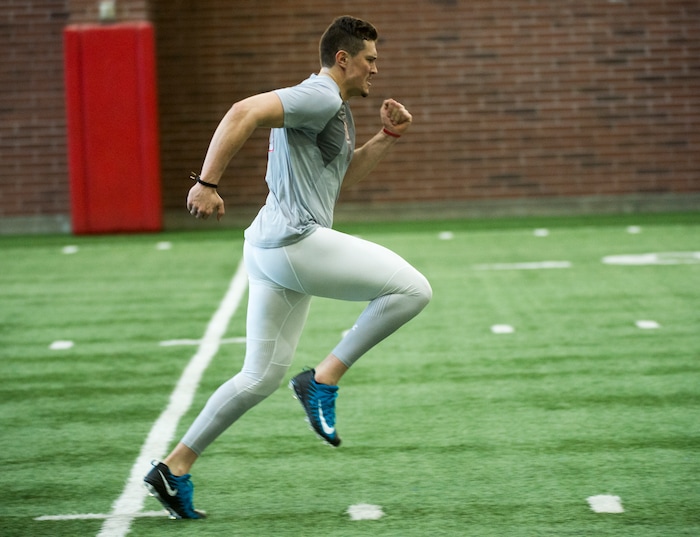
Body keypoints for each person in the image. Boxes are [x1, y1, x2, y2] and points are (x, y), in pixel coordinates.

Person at [144, 15, 432, 519]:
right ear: (342, 59)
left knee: (258, 378)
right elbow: (242, 111)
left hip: (272, 246)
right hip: (294, 243)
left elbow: (340, 179)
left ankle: (174, 467)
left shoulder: (334, 109)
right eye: (370, 60)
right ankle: (322, 379)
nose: (375, 71)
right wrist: (206, 183)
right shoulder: (320, 95)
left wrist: (389, 136)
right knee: (412, 290)